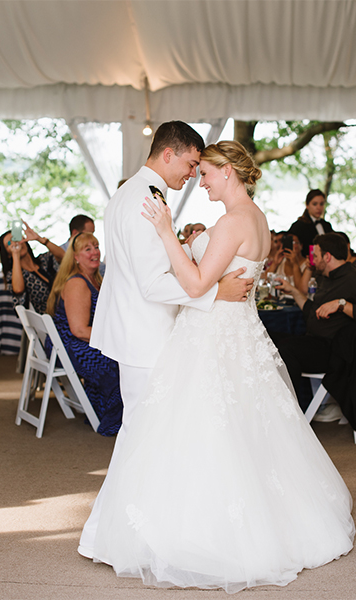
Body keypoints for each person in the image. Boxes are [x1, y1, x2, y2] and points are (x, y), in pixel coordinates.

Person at [90, 140, 354, 592]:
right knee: (241, 428)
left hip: (213, 334)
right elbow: (217, 268)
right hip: (236, 333)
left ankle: (198, 532)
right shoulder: (256, 218)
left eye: (206, 172)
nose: (200, 179)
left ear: (227, 171)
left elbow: (194, 285)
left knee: (201, 429)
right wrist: (197, 244)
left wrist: (169, 235)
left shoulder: (232, 222)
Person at [78, 121, 253, 559]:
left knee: (149, 434)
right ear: (169, 154)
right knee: (142, 435)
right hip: (146, 335)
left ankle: (133, 529)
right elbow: (151, 284)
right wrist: (214, 293)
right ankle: (112, 534)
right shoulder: (146, 199)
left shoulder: (131, 193)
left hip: (136, 330)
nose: (193, 174)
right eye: (192, 164)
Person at [274, 233, 356, 412]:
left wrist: (341, 304)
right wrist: (292, 290)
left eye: (315, 256)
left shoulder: (355, 279)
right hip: (315, 340)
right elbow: (312, 310)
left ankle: (291, 414)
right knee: (268, 338)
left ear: (327, 256)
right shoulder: (325, 277)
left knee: (286, 349)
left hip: (334, 352)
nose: (312, 260)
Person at [46, 232, 122, 436]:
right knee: (118, 362)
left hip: (74, 340)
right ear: (76, 257)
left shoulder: (95, 278)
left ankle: (99, 412)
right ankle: (112, 422)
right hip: (68, 345)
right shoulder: (77, 283)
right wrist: (117, 339)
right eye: (87, 249)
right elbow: (79, 330)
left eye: (96, 246)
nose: (95, 252)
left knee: (119, 354)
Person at [0, 221, 64, 314]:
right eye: (10, 243)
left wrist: (39, 239)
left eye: (16, 238)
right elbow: (18, 290)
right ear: (7, 254)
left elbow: (63, 257)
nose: (15, 243)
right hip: (51, 320)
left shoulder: (43, 260)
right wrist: (16, 255)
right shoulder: (16, 275)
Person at [287, 189, 334, 257]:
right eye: (315, 204)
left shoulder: (327, 225)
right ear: (307, 205)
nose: (319, 207)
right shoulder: (298, 226)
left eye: (321, 204)